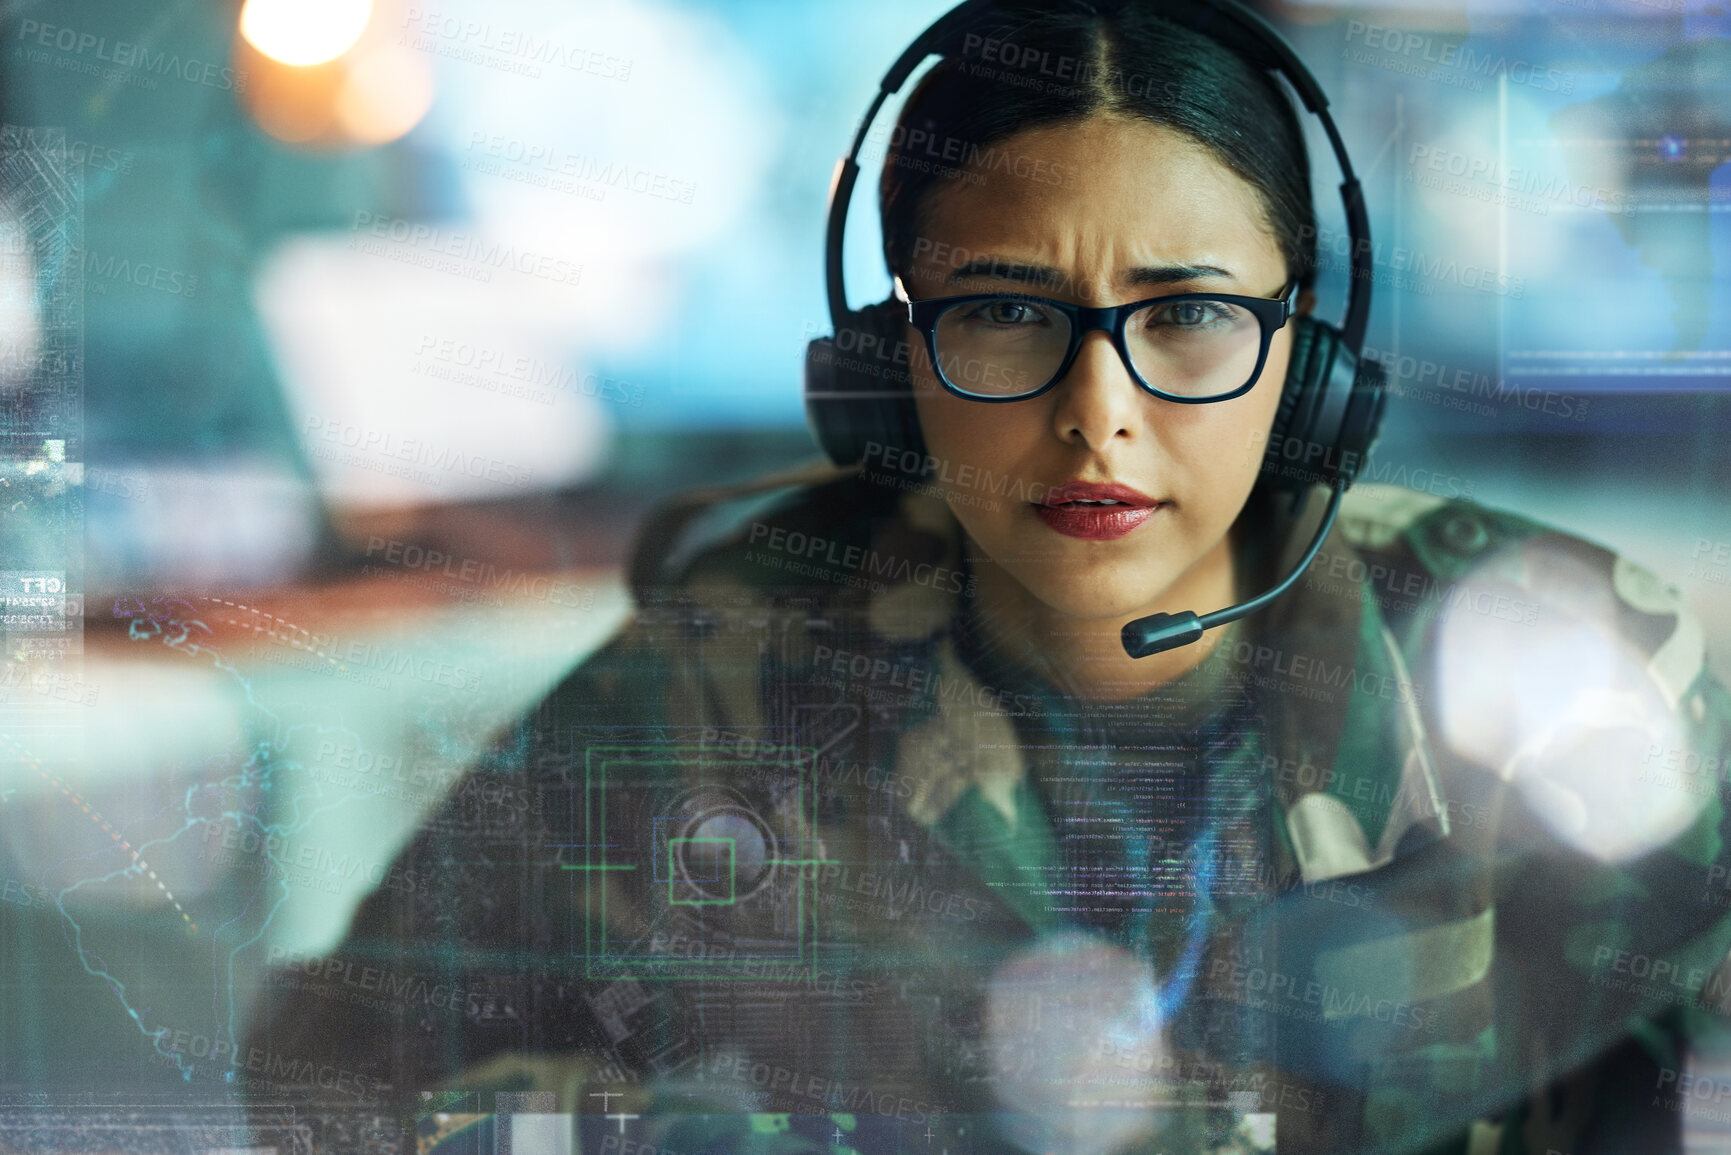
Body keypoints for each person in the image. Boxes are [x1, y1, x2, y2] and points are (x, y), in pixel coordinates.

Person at [242, 3, 1731, 1152]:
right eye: (1010, 314)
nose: (1101, 418)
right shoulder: (731, 667)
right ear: (889, 374)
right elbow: (336, 1075)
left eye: (1194, 316)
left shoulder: (1561, 675)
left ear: (1311, 367)